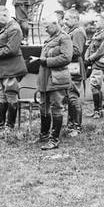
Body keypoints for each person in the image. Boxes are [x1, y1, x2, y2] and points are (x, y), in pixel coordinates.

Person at [0, 6, 28, 132]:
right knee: (1, 95)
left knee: (11, 96)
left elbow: (11, 49)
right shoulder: (6, 27)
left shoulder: (15, 29)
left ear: (5, 16)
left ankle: (9, 126)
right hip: (3, 69)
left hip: (12, 68)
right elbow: (3, 45)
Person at [36, 13, 73, 150]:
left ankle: (54, 140)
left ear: (55, 24)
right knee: (43, 106)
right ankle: (44, 135)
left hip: (57, 79)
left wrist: (47, 61)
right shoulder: (50, 39)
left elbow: (66, 58)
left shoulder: (64, 38)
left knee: (56, 107)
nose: (45, 29)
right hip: (45, 78)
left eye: (47, 26)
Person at [62, 8, 87, 136]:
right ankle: (70, 124)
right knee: (69, 96)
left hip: (75, 66)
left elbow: (77, 51)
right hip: (70, 66)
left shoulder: (78, 32)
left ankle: (76, 127)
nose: (64, 21)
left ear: (75, 19)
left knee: (74, 96)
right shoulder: (71, 31)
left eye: (67, 19)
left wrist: (63, 49)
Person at [84, 14, 104, 119]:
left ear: (103, 22)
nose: (94, 23)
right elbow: (90, 47)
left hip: (99, 62)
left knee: (95, 85)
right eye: (94, 21)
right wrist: (87, 57)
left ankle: (98, 111)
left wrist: (90, 59)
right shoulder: (97, 33)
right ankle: (97, 110)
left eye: (96, 21)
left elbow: (101, 50)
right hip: (94, 61)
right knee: (94, 85)